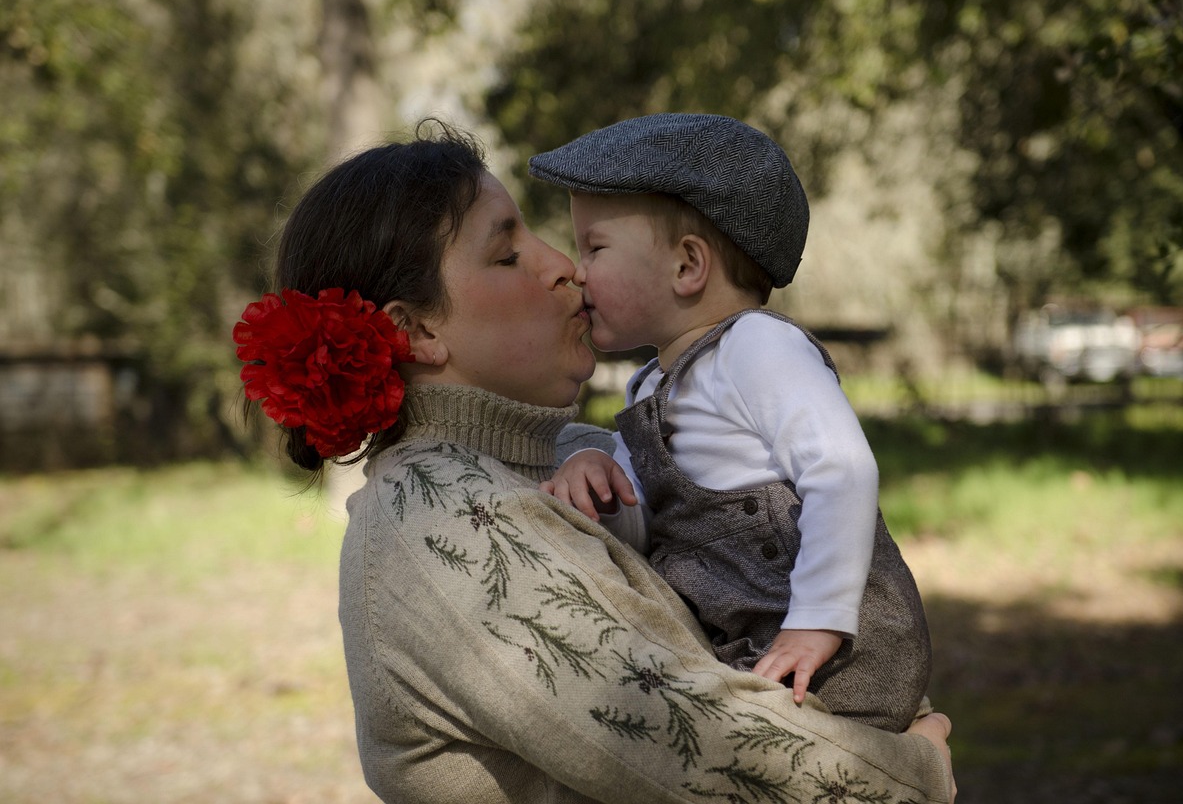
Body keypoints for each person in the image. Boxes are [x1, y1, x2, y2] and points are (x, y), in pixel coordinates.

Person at [235, 119, 956, 803]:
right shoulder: (440, 522)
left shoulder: (527, 474)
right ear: (417, 330)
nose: (563, 269)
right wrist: (915, 776)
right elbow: (699, 744)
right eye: (508, 254)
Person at [529, 113, 931, 733]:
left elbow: (843, 469)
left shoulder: (756, 348)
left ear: (688, 266)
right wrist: (598, 470)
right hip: (750, 649)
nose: (578, 270)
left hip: (837, 653)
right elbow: (644, 514)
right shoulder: (654, 388)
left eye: (595, 248)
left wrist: (816, 620)